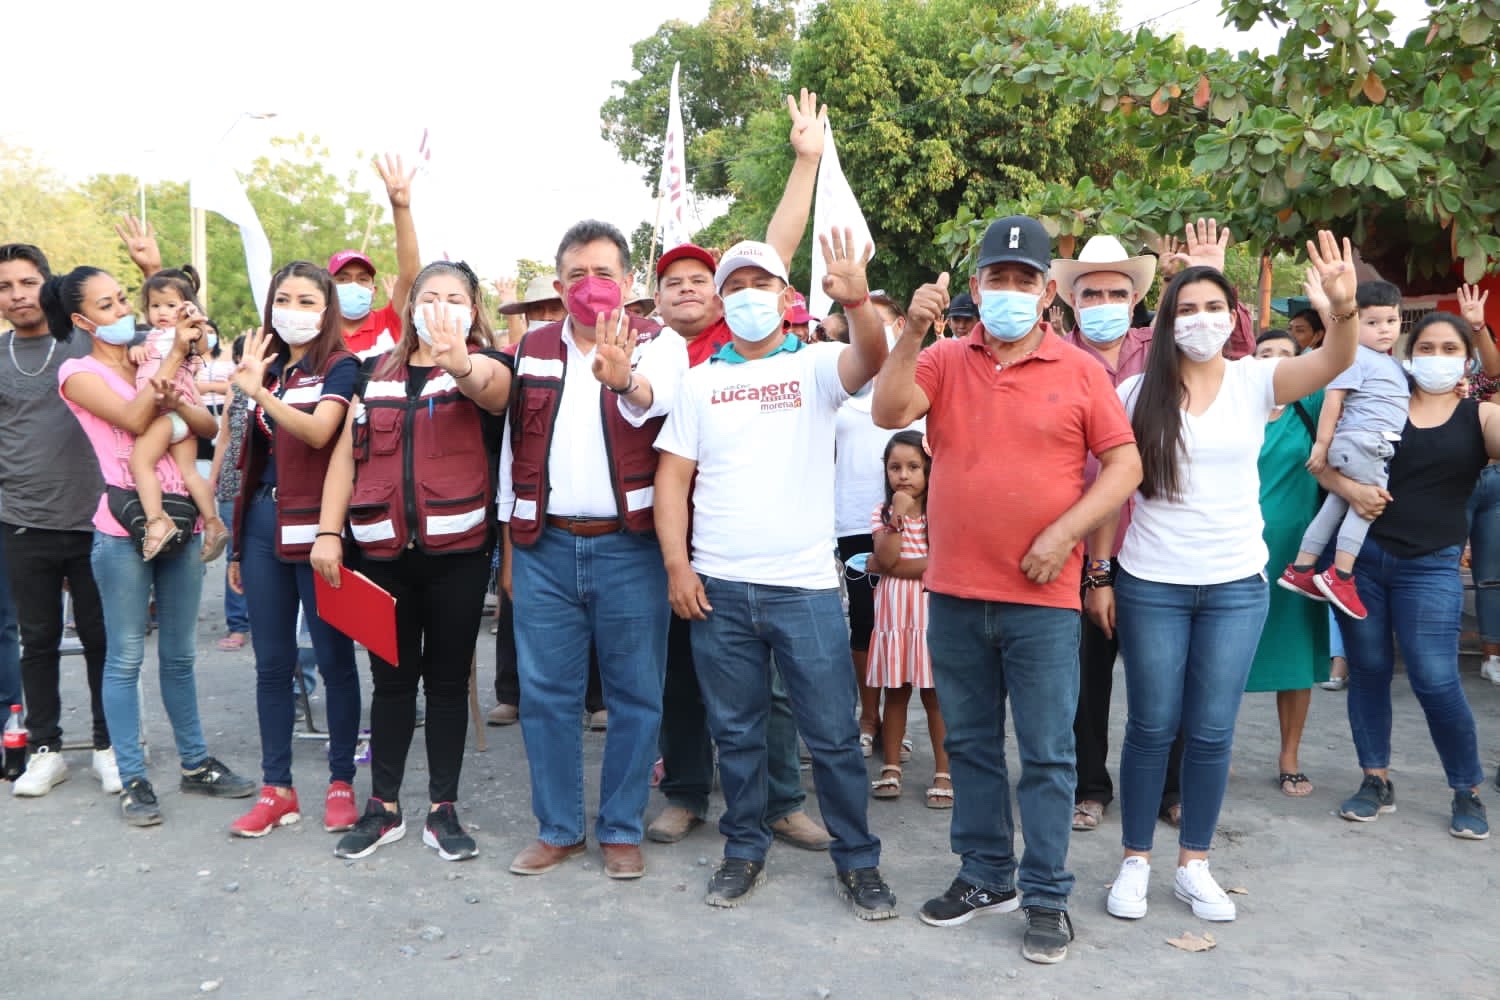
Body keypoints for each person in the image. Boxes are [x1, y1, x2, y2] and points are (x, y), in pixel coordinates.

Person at [873, 215, 1142, 965]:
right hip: (956, 593)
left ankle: (1048, 893)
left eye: (1026, 280)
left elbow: (1124, 469)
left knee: (1050, 754)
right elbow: (888, 412)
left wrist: (1063, 537)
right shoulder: (944, 361)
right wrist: (910, 334)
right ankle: (986, 875)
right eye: (1000, 278)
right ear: (978, 287)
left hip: (1044, 603)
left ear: (1048, 292)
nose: (1012, 291)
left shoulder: (1083, 371)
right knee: (972, 743)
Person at [1093, 231, 1359, 926]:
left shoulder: (1255, 380)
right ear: (1167, 322)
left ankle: (1195, 864)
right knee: (1152, 723)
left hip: (1237, 586)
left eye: (1214, 305)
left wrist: (1343, 308)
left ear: (1231, 315)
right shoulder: (1132, 393)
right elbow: (1114, 490)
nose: (1201, 319)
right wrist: (1100, 573)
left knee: (1212, 730)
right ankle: (1135, 861)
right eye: (1188, 307)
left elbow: (1336, 358)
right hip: (1152, 581)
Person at [654, 229, 897, 919]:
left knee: (830, 736)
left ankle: (859, 862)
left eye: (761, 286)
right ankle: (743, 850)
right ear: (723, 303)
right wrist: (679, 565)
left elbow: (871, 360)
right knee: (736, 731)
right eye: (735, 288)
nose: (748, 297)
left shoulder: (814, 364)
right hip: (720, 588)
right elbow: (673, 479)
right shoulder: (701, 383)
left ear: (786, 298)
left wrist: (857, 305)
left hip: (807, 590)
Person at [631, 238, 830, 850]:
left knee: (769, 688)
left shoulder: (749, 347)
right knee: (682, 678)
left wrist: (805, 159)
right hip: (669, 541)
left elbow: (781, 238)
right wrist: (675, 561)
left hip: (757, 548)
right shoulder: (649, 352)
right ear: (658, 301)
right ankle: (687, 793)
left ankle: (781, 801)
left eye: (698, 278)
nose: (686, 288)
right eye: (673, 282)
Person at [1052, 225, 1251, 833]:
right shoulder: (1055, 358)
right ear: (1071, 301)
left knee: (1166, 685)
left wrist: (1217, 275)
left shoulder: (1159, 351)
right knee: (1084, 679)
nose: (1104, 305)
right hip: (1081, 543)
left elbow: (1238, 351)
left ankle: (1172, 789)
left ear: (1136, 299)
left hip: (1161, 547)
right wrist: (1090, 565)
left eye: (1116, 293)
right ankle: (1090, 786)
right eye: (1091, 295)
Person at [312, 261, 512, 861]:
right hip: (382, 553)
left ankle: (443, 808)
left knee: (449, 684)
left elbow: (490, 390)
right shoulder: (373, 374)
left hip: (459, 553)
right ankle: (385, 807)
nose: (443, 306)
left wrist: (458, 360)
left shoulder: (490, 366)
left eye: (456, 298)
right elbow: (346, 457)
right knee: (392, 683)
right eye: (430, 296)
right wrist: (327, 531)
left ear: (474, 310)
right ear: (411, 307)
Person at [49, 265, 255, 824]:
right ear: (81, 320)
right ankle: (134, 777)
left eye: (122, 300)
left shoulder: (152, 350)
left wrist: (179, 381)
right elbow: (139, 416)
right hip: (123, 528)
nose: (122, 312)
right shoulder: (77, 372)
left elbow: (204, 428)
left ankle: (195, 765)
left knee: (182, 655)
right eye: (108, 305)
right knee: (125, 658)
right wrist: (170, 375)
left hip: (184, 518)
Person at [499, 219, 669, 881]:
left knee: (635, 695)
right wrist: (512, 545)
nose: (590, 286)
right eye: (576, 275)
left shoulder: (657, 345)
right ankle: (560, 828)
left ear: (629, 283)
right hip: (544, 543)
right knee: (546, 695)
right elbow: (515, 449)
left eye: (603, 273)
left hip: (631, 546)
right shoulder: (533, 347)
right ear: (558, 282)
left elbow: (655, 406)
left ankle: (621, 828)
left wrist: (624, 377)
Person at [1323, 311, 1494, 839]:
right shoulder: (1380, 404)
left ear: (1467, 359)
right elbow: (1328, 463)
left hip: (1432, 565)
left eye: (1449, 348)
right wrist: (1350, 490)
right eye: (1426, 347)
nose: (1436, 358)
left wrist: (1485, 333)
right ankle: (1376, 779)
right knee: (1369, 671)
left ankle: (1466, 789)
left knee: (1435, 677)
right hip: (1361, 560)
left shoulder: (1480, 418)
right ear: (1406, 352)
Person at [225, 263, 363, 839]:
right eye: (284, 298)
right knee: (273, 662)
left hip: (319, 527)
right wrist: (235, 544)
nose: (293, 308)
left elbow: (320, 433)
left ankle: (340, 781)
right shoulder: (268, 366)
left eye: (307, 299)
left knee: (333, 659)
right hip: (261, 521)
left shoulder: (342, 365)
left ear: (326, 308)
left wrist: (261, 396)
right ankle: (276, 788)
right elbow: (244, 457)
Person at [0, 243, 114, 796]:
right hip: (22, 519)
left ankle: (108, 746)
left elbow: (159, 348)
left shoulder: (85, 341)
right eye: (5, 287)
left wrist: (147, 270)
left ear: (47, 284)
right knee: (37, 640)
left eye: (26, 282)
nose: (17, 295)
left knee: (102, 639)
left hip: (97, 518)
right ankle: (45, 749)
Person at [1279, 280, 1410, 620]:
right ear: (1356, 324)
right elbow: (1333, 401)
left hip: (1362, 445)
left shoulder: (1386, 362)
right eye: (1372, 323)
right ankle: (1340, 576)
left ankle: (1302, 567)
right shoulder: (1353, 357)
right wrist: (1322, 445)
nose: (1384, 330)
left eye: (1391, 321)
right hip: (1367, 443)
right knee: (1365, 507)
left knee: (1337, 505)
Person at [836, 288, 923, 762]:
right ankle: (867, 719)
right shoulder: (838, 391)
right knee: (866, 627)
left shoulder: (915, 388)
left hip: (911, 528)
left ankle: (897, 724)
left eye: (882, 319)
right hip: (852, 523)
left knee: (907, 627)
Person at [1244, 329, 1329, 797]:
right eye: (1265, 354)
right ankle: (1207, 755)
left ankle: (1289, 756)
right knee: (1215, 659)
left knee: (1294, 656)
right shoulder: (1234, 408)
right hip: (1232, 552)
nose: (1275, 362)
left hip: (1296, 554)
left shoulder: (1310, 407)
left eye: (1286, 355)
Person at [864, 430, 950, 809]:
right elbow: (885, 557)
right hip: (896, 616)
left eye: (914, 467)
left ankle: (944, 771)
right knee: (895, 693)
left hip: (930, 614)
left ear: (929, 470)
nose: (904, 475)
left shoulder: (942, 514)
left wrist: (893, 567)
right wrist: (897, 517)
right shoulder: (882, 515)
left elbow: (939, 564)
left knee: (935, 696)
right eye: (895, 467)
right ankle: (892, 765)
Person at [126, 268, 228, 561]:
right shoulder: (151, 338)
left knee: (140, 463)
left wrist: (194, 321)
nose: (162, 312)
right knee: (189, 472)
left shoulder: (183, 335)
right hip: (182, 419)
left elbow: (203, 344)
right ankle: (212, 522)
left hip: (166, 413)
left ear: (187, 306)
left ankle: (157, 521)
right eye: (155, 306)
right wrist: (136, 352)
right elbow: (140, 356)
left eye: (171, 305)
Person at [331, 156, 420, 359]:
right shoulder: (317, 334)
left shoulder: (390, 320)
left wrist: (401, 209)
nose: (353, 285)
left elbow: (410, 275)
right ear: (328, 287)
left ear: (373, 291)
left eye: (362, 279)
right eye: (343, 279)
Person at [208, 336, 251, 651]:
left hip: (264, 486)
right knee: (234, 556)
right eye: (241, 356)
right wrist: (211, 481)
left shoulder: (279, 388)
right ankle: (237, 625)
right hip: (231, 484)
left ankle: (264, 620)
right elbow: (223, 437)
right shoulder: (235, 391)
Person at [495, 275, 567, 347]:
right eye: (537, 309)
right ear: (527, 316)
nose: (546, 317)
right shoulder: (520, 352)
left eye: (555, 309)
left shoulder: (575, 351)